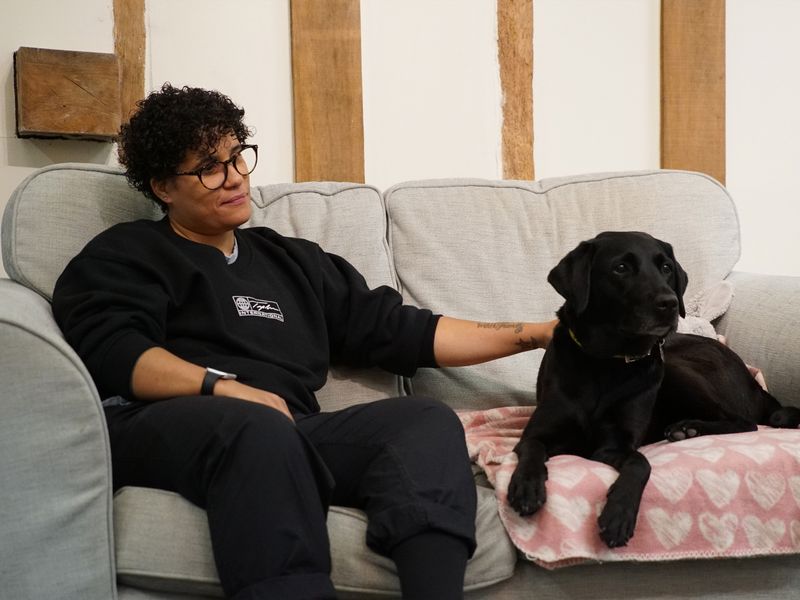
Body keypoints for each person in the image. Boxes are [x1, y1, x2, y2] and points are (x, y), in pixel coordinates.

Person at [51, 83, 557, 600]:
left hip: (284, 432)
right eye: (209, 166)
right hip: (165, 421)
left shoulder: (291, 261)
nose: (234, 178)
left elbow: (406, 331)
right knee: (257, 426)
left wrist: (537, 334)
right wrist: (223, 388)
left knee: (424, 421)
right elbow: (116, 352)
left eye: (237, 157)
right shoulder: (129, 253)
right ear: (162, 186)